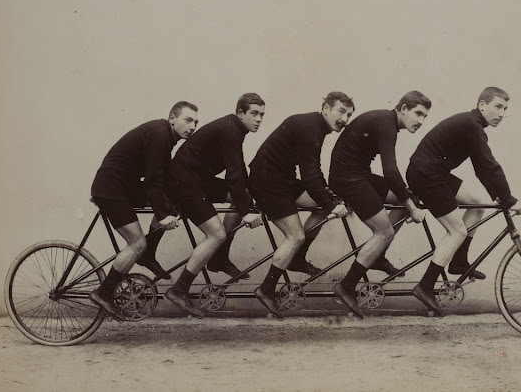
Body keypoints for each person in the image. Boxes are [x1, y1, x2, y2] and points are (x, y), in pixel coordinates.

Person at [406, 87, 521, 316]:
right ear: (482, 105)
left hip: (432, 172)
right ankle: (425, 286)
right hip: (425, 174)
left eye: (505, 109)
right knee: (457, 231)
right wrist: (510, 199)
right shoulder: (473, 126)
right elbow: (490, 166)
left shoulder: (473, 126)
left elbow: (482, 169)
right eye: (498, 107)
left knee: (478, 203)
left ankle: (459, 261)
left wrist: (499, 196)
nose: (502, 113)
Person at [88, 101, 199, 320]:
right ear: (172, 119)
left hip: (123, 185)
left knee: (171, 202)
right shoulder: (160, 134)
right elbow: (153, 180)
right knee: (137, 242)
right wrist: (163, 215)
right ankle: (103, 293)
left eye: (196, 122)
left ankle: (148, 253)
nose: (193, 126)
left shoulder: (166, 137)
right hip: (111, 188)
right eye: (188, 120)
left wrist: (172, 207)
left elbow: (163, 179)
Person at [248, 92, 353, 319]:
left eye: (349, 115)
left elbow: (313, 169)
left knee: (326, 205)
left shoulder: (315, 127)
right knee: (295, 236)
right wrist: (332, 203)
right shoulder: (310, 127)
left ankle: (297, 256)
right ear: (325, 108)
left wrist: (330, 198)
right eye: (341, 111)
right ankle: (266, 290)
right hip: (267, 183)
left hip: (281, 180)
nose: (344, 119)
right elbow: (309, 175)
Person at [161, 94, 266, 316]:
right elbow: (234, 173)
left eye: (262, 115)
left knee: (243, 197)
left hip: (198, 179)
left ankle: (218, 257)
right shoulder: (230, 130)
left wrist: (251, 200)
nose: (259, 119)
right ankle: (179, 290)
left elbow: (238, 170)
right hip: (184, 182)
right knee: (216, 234)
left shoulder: (234, 129)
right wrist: (247, 212)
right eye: (254, 114)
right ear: (240, 113)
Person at [328, 91, 429, 319]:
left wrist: (409, 203)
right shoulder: (387, 124)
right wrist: (413, 209)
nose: (421, 121)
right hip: (349, 179)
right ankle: (346, 285)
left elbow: (392, 178)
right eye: (418, 114)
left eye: (425, 117)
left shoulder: (386, 122)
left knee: (406, 200)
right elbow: (390, 171)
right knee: (384, 231)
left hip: (358, 175)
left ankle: (377, 255)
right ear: (403, 109)